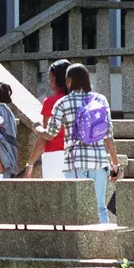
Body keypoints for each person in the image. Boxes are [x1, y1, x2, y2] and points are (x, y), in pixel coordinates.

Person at [34, 63, 121, 224]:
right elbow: (109, 136)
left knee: (80, 208)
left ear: (69, 80)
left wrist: (38, 129)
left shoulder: (63, 103)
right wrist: (115, 164)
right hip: (100, 161)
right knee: (100, 207)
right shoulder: (100, 99)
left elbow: (50, 134)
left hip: (75, 162)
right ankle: (103, 243)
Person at [23, 59, 70, 179]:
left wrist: (30, 163)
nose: (49, 82)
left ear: (56, 79)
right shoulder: (79, 101)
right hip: (76, 154)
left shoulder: (50, 102)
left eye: (50, 78)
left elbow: (44, 137)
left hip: (54, 156)